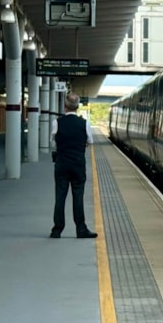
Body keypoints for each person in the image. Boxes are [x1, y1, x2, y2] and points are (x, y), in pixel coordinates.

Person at [50, 93, 97, 239]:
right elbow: (90, 141)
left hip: (61, 164)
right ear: (77, 107)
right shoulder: (84, 123)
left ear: (65, 106)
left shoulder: (57, 122)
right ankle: (81, 229)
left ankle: (57, 230)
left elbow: (53, 140)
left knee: (60, 197)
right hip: (78, 164)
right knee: (78, 197)